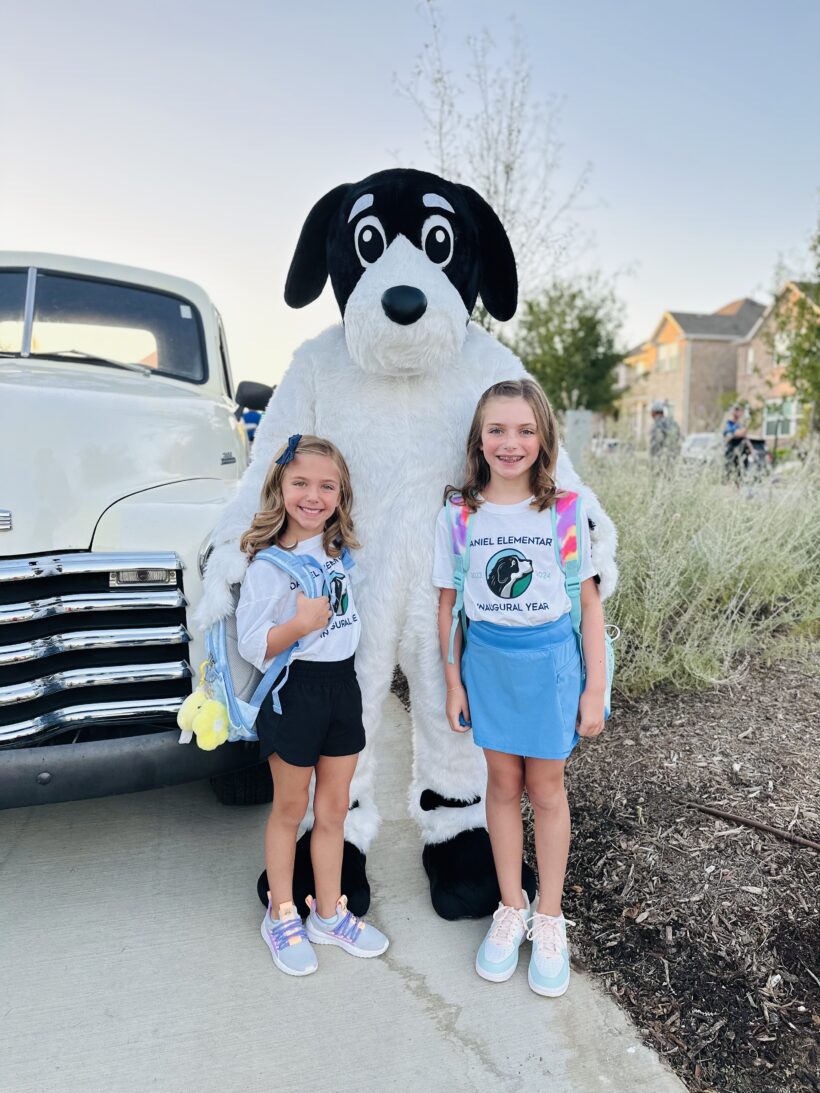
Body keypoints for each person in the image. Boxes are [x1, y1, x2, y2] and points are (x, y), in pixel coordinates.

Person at [434, 379, 607, 998]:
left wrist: (595, 689)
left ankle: (551, 915)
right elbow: (449, 604)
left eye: (525, 430)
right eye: (498, 430)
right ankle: (512, 905)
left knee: (547, 787)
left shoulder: (562, 510)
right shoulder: (460, 513)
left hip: (551, 667)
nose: (511, 443)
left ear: (544, 437)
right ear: (479, 439)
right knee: (502, 786)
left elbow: (588, 605)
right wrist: (453, 681)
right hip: (488, 666)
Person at [236, 433, 389, 976]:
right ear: (280, 487)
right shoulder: (268, 567)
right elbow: (253, 643)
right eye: (300, 483)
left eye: (327, 486)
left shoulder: (339, 553)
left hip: (341, 691)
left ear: (341, 494)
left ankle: (328, 913)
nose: (313, 496)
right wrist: (299, 624)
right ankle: (281, 914)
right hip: (294, 693)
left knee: (334, 810)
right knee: (289, 810)